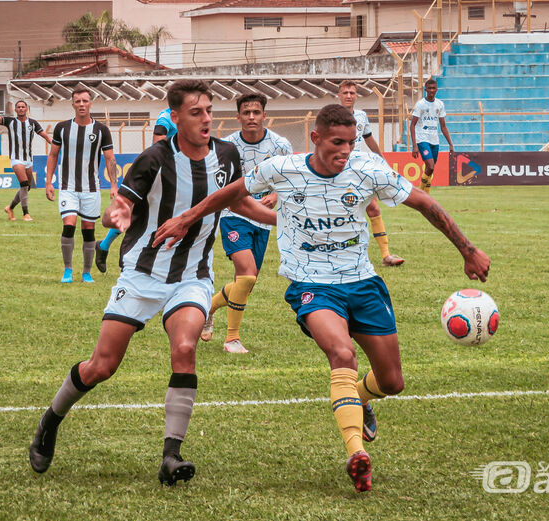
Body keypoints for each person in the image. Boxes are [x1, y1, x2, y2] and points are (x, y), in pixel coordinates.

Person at [153, 104, 490, 493]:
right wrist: (185, 219)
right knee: (342, 354)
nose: (345, 150)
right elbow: (229, 194)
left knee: (393, 381)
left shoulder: (368, 169)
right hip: (312, 286)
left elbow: (426, 204)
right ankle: (356, 454)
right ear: (315, 138)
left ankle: (360, 397)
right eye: (336, 142)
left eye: (349, 142)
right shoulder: (284, 167)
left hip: (363, 284)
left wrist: (468, 250)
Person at [28, 79, 274, 485]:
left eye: (209, 111)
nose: (206, 119)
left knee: (185, 346)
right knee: (102, 366)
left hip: (192, 277)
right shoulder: (155, 158)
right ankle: (50, 420)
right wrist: (115, 215)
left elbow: (236, 201)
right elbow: (121, 205)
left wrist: (281, 219)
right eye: (196, 113)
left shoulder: (227, 156)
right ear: (175, 118)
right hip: (142, 274)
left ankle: (171, 456)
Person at [200, 93, 292, 354]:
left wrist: (275, 195)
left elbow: (290, 180)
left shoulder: (280, 145)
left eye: (256, 112)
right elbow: (219, 184)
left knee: (246, 283)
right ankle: (232, 339)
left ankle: (209, 307)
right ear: (237, 116)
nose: (252, 116)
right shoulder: (226, 146)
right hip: (235, 215)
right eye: (246, 112)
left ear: (265, 115)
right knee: (247, 273)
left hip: (262, 221)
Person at [45, 88, 118, 284]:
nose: (81, 104)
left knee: (88, 230)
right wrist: (48, 181)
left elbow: (110, 159)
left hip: (91, 189)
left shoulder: (101, 130)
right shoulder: (62, 128)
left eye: (85, 101)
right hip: (67, 187)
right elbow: (53, 155)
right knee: (69, 225)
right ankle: (67, 270)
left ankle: (86, 272)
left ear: (90, 103)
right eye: (77, 101)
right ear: (72, 104)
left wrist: (113, 184)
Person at [94, 107, 178, 273]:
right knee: (138, 215)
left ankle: (104, 246)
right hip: (159, 172)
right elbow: (158, 142)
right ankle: (125, 257)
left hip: (173, 174)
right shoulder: (166, 117)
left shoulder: (189, 116)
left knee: (139, 215)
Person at [337, 80, 404, 267]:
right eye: (345, 92)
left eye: (352, 92)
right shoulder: (332, 116)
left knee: (373, 208)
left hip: (359, 170)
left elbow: (368, 139)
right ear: (339, 95)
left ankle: (386, 255)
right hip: (339, 170)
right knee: (341, 212)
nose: (349, 95)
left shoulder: (361, 116)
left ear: (356, 95)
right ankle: (340, 255)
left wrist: (382, 161)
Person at [0, 92, 52, 221]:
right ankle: (26, 214)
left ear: (27, 109)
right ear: (15, 109)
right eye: (18, 107)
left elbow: (44, 135)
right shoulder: (10, 121)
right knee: (24, 184)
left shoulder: (33, 123)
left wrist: (55, 144)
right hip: (16, 158)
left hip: (28, 159)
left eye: (23, 107)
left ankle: (10, 207)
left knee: (27, 187)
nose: (21, 109)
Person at [410, 78, 455, 194]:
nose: (431, 90)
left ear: (437, 90)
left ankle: (426, 194)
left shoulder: (440, 104)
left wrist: (450, 144)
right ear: (425, 89)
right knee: (430, 166)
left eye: (433, 88)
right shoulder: (420, 105)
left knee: (430, 168)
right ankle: (421, 191)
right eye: (429, 88)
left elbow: (443, 126)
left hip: (435, 141)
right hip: (422, 139)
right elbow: (412, 125)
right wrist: (414, 146)